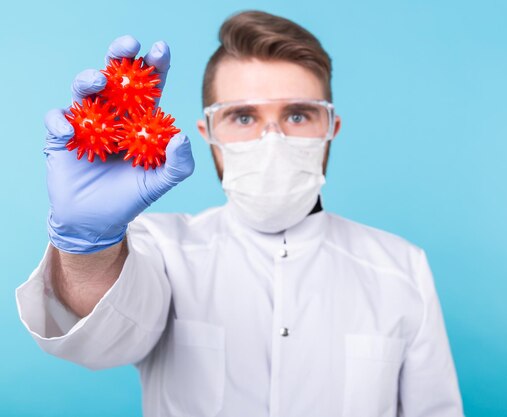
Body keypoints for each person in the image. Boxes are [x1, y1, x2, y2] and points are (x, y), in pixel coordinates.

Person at [15, 10, 464, 417]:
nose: (273, 139)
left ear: (331, 128)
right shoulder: (163, 251)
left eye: (299, 115)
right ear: (208, 132)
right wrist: (88, 246)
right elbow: (103, 341)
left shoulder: (402, 269)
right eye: (243, 117)